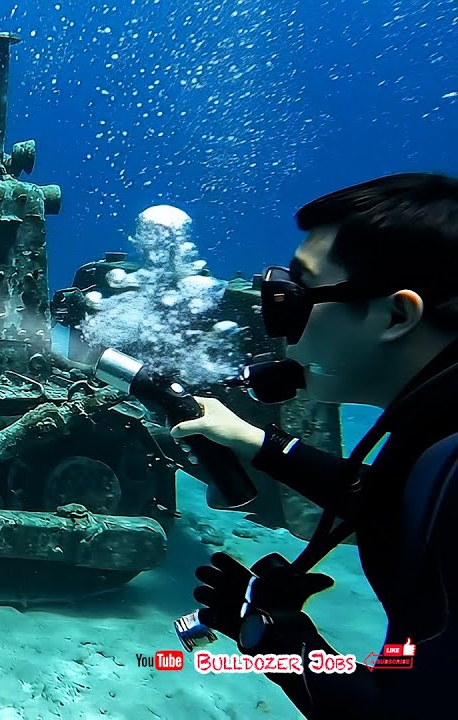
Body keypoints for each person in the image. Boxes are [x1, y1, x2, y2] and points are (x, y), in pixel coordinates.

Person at [167, 172, 458, 717]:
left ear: (396, 316)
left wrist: (280, 639)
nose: (277, 320)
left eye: (293, 295)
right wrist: (254, 439)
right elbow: (387, 498)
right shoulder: (435, 437)